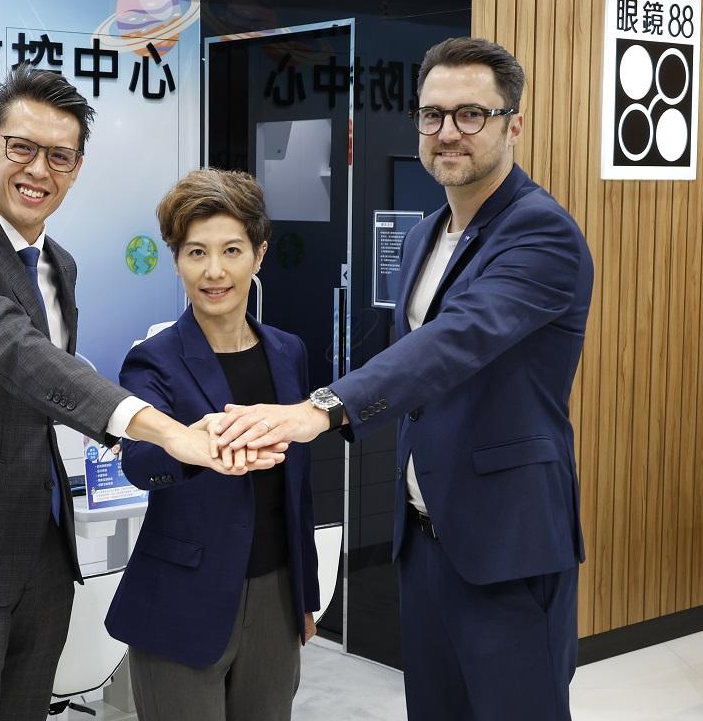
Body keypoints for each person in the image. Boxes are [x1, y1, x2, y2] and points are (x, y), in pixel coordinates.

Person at [213, 37, 594, 720]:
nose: (448, 132)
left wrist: (322, 408)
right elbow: (408, 367)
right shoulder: (424, 236)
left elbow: (454, 342)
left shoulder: (542, 234)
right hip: (424, 538)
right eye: (432, 114)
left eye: (471, 114)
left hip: (508, 543)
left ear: (514, 125)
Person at [0, 67, 284, 721]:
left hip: (44, 549)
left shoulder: (58, 266)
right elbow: (21, 356)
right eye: (22, 147)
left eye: (60, 156)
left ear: (75, 170)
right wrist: (168, 431)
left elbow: (49, 393)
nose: (38, 170)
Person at [104, 169, 318, 721]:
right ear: (177, 260)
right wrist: (189, 447)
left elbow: (297, 486)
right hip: (181, 597)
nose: (214, 271)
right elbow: (139, 461)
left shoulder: (288, 351)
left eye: (232, 251)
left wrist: (306, 596)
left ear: (259, 255)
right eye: (196, 252)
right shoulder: (154, 358)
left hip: (275, 595)